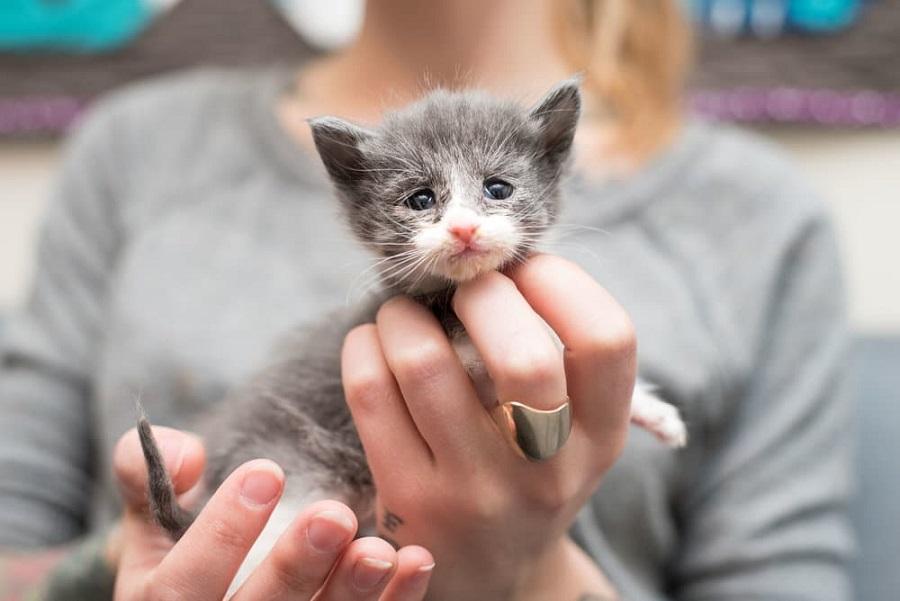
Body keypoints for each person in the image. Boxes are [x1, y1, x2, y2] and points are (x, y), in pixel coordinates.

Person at [0, 1, 855, 599]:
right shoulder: (130, 149)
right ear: (357, 196)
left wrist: (535, 576)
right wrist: (114, 565)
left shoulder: (764, 215)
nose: (461, 228)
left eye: (493, 191)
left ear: (547, 165)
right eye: (419, 201)